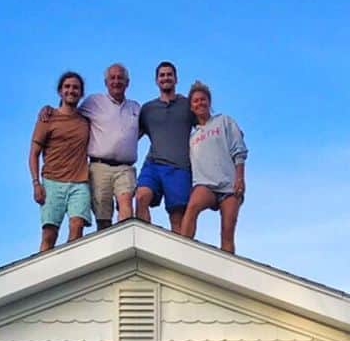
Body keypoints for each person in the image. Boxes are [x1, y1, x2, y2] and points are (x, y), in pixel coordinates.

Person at [181, 81, 248, 254]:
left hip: (228, 185)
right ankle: (181, 252)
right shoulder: (192, 135)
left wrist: (240, 177)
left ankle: (226, 271)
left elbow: (238, 149)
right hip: (205, 184)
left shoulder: (223, 121)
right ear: (191, 107)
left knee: (227, 230)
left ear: (209, 102)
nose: (200, 103)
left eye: (203, 99)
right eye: (195, 101)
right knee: (192, 207)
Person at [28, 71, 91, 251]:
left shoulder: (85, 120)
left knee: (77, 227)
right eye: (67, 87)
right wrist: (36, 183)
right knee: (49, 233)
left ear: (81, 93)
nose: (71, 90)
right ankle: (44, 274)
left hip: (79, 183)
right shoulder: (47, 118)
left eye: (76, 87)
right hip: (52, 181)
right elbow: (34, 153)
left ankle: (71, 271)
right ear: (60, 91)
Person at [79, 63, 141, 229]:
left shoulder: (135, 107)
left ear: (127, 83)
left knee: (126, 203)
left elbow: (139, 131)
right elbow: (72, 116)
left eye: (120, 78)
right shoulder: (93, 102)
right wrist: (49, 111)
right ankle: (111, 252)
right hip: (100, 167)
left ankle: (126, 243)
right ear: (106, 82)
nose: (116, 81)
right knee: (103, 217)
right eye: (112, 78)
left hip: (125, 167)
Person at [136, 61, 194, 233]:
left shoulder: (187, 105)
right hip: (153, 164)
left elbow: (206, 124)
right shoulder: (147, 109)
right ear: (156, 81)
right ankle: (144, 245)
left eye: (169, 75)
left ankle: (179, 256)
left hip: (179, 166)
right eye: (162, 75)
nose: (166, 78)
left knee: (177, 217)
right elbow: (132, 136)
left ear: (176, 79)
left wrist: (227, 132)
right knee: (141, 197)